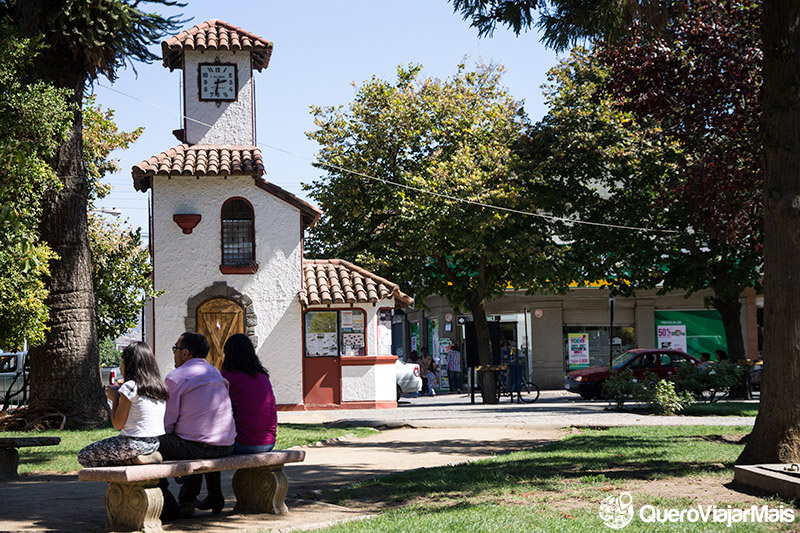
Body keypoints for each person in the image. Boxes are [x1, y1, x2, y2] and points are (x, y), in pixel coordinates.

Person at [158, 332, 236, 521]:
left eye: (175, 349)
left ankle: (168, 502)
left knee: (150, 444)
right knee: (193, 441)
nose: (174, 353)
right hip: (226, 445)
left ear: (185, 353)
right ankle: (192, 500)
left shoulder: (176, 377)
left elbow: (167, 422)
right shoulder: (214, 372)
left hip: (199, 446)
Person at [196, 334, 278, 512]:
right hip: (268, 442)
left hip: (245, 443)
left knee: (208, 446)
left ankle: (214, 496)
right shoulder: (263, 377)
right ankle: (213, 497)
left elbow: (214, 409)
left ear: (228, 354)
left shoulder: (227, 377)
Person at [77, 342, 168, 467]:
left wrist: (115, 399)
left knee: (84, 456)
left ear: (128, 364)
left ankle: (130, 460)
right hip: (153, 443)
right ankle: (135, 459)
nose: (120, 366)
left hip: (132, 444)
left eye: (122, 361)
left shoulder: (130, 387)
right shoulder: (158, 387)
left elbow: (118, 424)